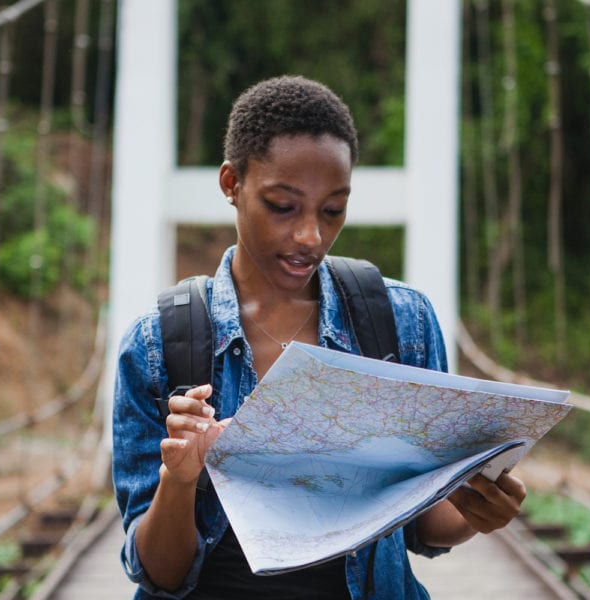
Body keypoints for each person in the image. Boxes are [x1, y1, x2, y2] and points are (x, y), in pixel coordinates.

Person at [112, 75, 527, 599]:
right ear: (230, 184)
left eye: (333, 210)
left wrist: (478, 509)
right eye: (283, 206)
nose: (311, 237)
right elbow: (159, 573)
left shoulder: (402, 321)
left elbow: (426, 528)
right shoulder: (156, 346)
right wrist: (179, 477)